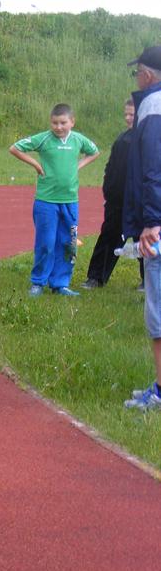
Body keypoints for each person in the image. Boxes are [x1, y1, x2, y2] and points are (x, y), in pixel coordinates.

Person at [9, 104, 99, 296]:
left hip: (70, 201)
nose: (59, 127)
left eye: (63, 123)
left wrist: (78, 166)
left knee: (68, 243)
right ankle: (38, 282)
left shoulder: (78, 140)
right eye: (54, 123)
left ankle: (60, 283)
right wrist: (35, 164)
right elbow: (15, 148)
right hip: (46, 201)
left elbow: (94, 152)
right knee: (46, 242)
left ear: (72, 122)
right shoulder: (44, 139)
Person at [123, 45, 161, 411]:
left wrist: (151, 221)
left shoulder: (151, 105)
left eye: (138, 73)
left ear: (147, 75)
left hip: (158, 224)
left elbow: (152, 168)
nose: (136, 78)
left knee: (158, 310)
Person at [84, 99, 140, 289]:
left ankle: (148, 281)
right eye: (126, 114)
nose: (128, 118)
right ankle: (96, 277)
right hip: (118, 200)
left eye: (132, 114)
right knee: (109, 235)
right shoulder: (122, 139)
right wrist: (109, 191)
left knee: (145, 239)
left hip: (142, 201)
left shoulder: (151, 139)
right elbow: (111, 168)